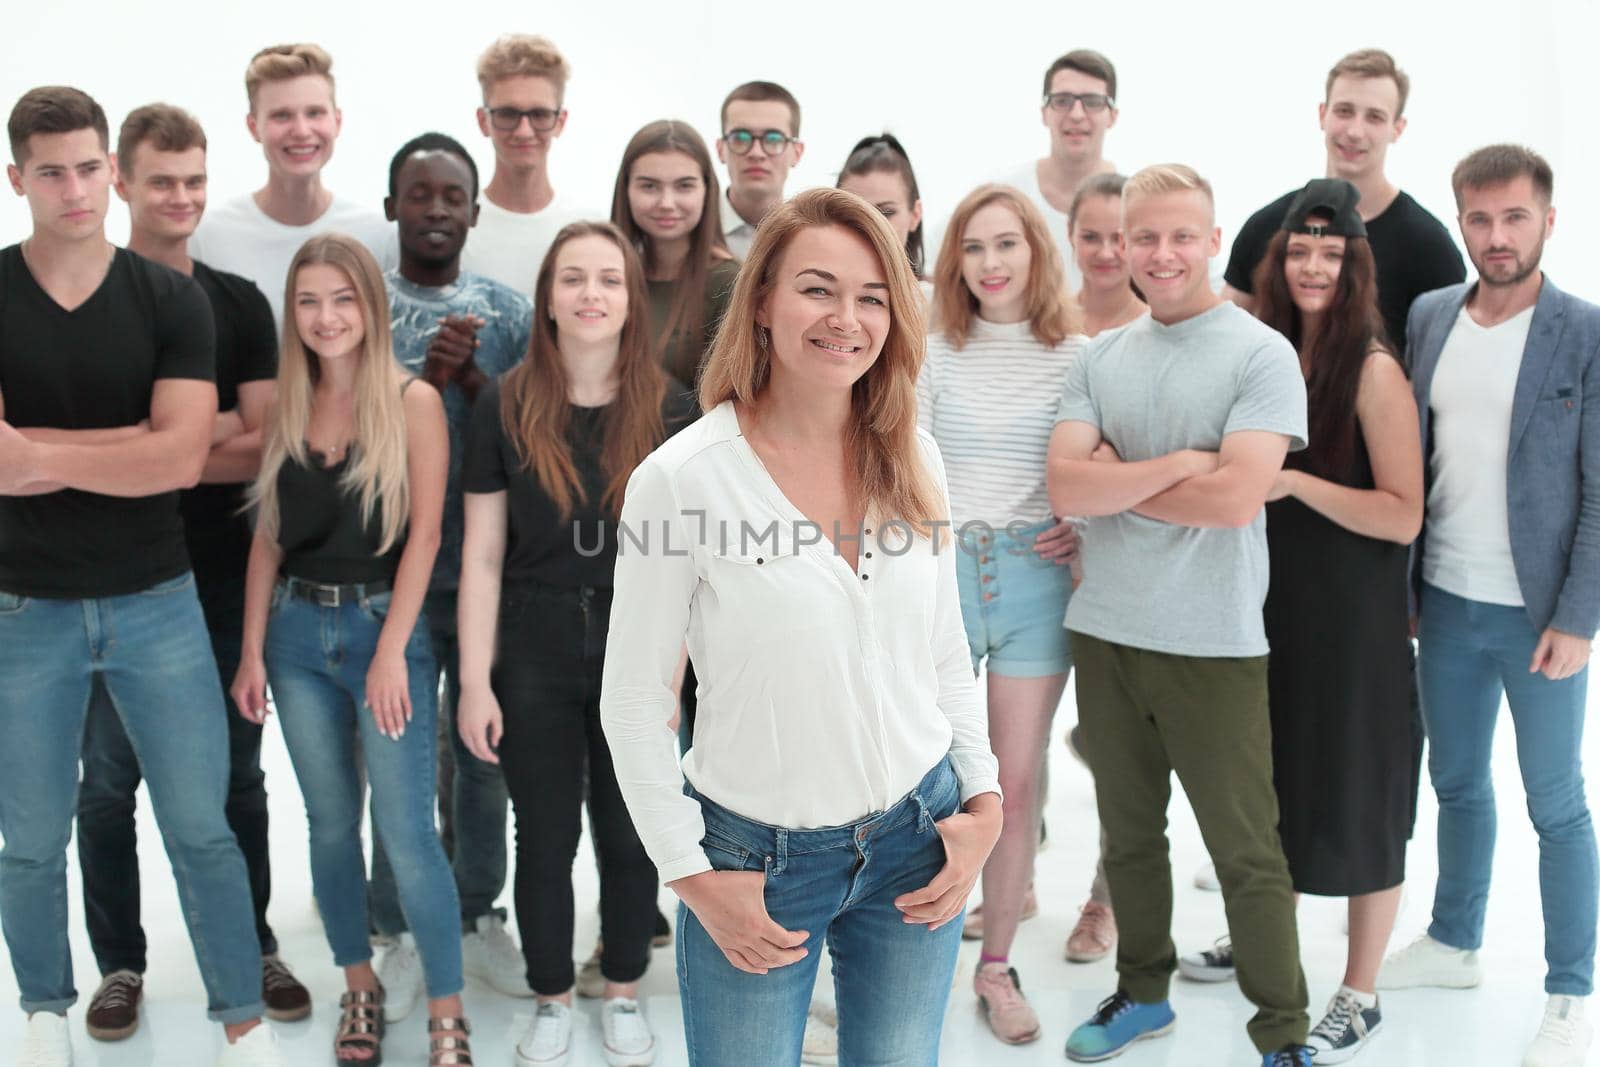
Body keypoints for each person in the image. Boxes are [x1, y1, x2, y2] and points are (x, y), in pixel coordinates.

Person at [601, 187, 1003, 1067]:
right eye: (817, 288)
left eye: (872, 296)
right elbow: (633, 702)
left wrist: (985, 800)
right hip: (756, 859)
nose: (847, 318)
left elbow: (942, 652)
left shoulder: (915, 454)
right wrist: (693, 874)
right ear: (762, 304)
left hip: (920, 836)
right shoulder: (684, 480)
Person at [0, 85, 287, 1067]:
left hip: (156, 600)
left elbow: (176, 462)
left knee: (200, 826)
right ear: (17, 178)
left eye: (89, 167)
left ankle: (239, 1019)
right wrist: (130, 443)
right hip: (24, 605)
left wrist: (39, 455)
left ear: (108, 174)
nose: (75, 188)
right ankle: (44, 1010)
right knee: (32, 834)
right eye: (52, 170)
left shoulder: (171, 300)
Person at [1046, 164, 1312, 1066]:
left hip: (1214, 641)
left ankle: (1282, 1034)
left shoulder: (1259, 354)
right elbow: (1064, 483)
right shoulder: (1101, 356)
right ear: (1121, 242)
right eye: (1142, 236)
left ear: (1210, 239)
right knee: (1129, 836)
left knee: (1247, 851)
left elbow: (1238, 501)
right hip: (1108, 630)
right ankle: (1143, 994)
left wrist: (1121, 481)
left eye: (1179, 236)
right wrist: (1181, 465)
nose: (1159, 254)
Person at [71, 102, 312, 1046]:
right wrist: (182, 439)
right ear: (121, 184)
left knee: (237, 780)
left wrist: (154, 444)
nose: (180, 198)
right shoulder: (83, 304)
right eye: (161, 180)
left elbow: (266, 446)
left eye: (194, 182)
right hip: (100, 574)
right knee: (105, 785)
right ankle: (119, 964)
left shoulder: (237, 304)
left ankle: (250, 945)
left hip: (217, 579)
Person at [1184, 178, 1424, 1062]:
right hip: (1268, 604)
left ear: (1355, 262)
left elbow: (1402, 512)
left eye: (1332, 251)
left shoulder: (1371, 368)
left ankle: (1360, 990)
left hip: (1356, 620)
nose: (1314, 264)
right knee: (1271, 780)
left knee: (1364, 792)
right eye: (1299, 250)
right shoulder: (1267, 352)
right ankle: (1264, 939)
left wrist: (1294, 482)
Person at [1377, 145, 1598, 1067]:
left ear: (1548, 220)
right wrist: (1412, 588)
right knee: (1458, 784)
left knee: (1556, 802)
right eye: (1480, 218)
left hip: (1539, 614)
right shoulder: (1431, 315)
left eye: (1514, 218)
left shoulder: (1582, 331)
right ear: (1461, 221)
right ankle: (1456, 939)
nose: (1496, 236)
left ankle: (1569, 990)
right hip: (1445, 603)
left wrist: (1579, 618)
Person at [230, 234, 472, 1066]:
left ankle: (446, 1006)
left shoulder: (412, 402)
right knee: (331, 824)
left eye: (341, 299)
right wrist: (253, 650)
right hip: (296, 639)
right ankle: (359, 984)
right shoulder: (286, 405)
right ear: (292, 313)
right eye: (308, 301)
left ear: (369, 306)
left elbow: (428, 535)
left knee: (405, 831)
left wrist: (391, 652)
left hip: (383, 633)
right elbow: (267, 538)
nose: (326, 317)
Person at [458, 219, 695, 1067]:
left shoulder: (673, 408)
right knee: (546, 833)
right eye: (573, 279)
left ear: (632, 301)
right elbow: (482, 553)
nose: (591, 294)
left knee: (631, 834)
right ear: (548, 297)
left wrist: (671, 677)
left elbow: (685, 562)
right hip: (531, 646)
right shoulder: (507, 401)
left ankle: (624, 989)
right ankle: (553, 995)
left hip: (639, 647)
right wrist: (478, 682)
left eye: (609, 279)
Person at [366, 131, 533, 1012]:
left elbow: (535, 445)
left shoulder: (506, 312)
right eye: (419, 194)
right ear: (392, 206)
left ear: (475, 209)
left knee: (482, 753)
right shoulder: (362, 310)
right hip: (385, 572)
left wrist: (472, 387)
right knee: (395, 759)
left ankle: (477, 913)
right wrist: (418, 390)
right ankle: (394, 925)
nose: (436, 209)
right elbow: (342, 443)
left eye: (452, 196)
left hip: (484, 575)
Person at [916, 183, 1083, 1045]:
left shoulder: (1075, 354)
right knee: (933, 781)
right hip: (943, 576)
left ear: (1035, 252)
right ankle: (916, 952)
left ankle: (996, 965)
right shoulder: (935, 349)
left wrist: (1080, 529)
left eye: (1006, 244)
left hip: (1031, 583)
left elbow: (1090, 461)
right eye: (973, 246)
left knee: (1014, 785)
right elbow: (907, 467)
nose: (990, 263)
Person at [1220, 48, 1464, 353]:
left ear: (1397, 129)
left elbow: (1444, 370)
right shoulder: (1266, 226)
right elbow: (1219, 339)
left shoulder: (1430, 248)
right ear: (1323, 115)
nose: (1354, 131)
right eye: (1344, 111)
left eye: (1374, 117)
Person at [1054, 170, 1145, 968]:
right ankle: (1007, 886)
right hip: (1035, 560)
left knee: (1119, 750)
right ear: (1071, 238)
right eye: (1092, 235)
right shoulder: (1050, 324)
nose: (1109, 250)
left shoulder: (1161, 330)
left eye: (1124, 234)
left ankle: (1103, 901)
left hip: (1121, 573)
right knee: (1006, 743)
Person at [189, 43, 395, 325]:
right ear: (253, 127)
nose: (300, 131)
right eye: (281, 115)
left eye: (314, 113)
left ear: (337, 121)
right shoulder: (208, 238)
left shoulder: (379, 238)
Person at [611, 119, 740, 391]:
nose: (666, 203)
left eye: (684, 186)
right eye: (649, 186)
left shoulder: (730, 283)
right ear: (626, 190)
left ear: (706, 190)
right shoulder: (608, 279)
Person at [462, 34, 586, 295]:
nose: (524, 131)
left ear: (560, 121)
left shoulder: (587, 227)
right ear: (483, 121)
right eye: (508, 114)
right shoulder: (458, 231)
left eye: (539, 114)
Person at [993, 49, 1119, 287]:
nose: (1077, 114)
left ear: (1112, 116)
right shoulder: (1003, 194)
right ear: (1044, 113)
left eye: (1093, 102)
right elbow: (933, 267)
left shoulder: (1137, 199)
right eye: (1062, 101)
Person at [715, 81, 804, 258]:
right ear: (720, 149)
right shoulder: (691, 232)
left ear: (797, 152)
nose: (756, 153)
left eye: (773, 139)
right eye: (740, 138)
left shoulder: (810, 237)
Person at [836, 133, 925, 283]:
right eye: (852, 212)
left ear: (915, 215)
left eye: (886, 213)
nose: (868, 226)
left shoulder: (937, 304)